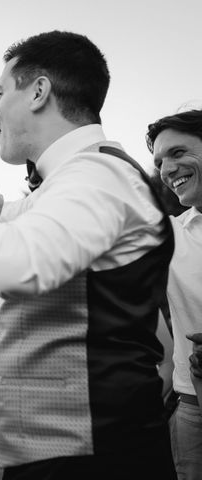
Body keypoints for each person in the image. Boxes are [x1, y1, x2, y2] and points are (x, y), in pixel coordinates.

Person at [0, 31, 176, 479]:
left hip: (93, 456)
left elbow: (27, 257)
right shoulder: (68, 185)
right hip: (62, 455)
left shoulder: (97, 174)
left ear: (39, 91)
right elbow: (23, 236)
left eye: (1, 92)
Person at [146, 109, 202, 479]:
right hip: (194, 411)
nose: (167, 169)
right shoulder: (169, 233)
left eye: (178, 153)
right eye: (160, 161)